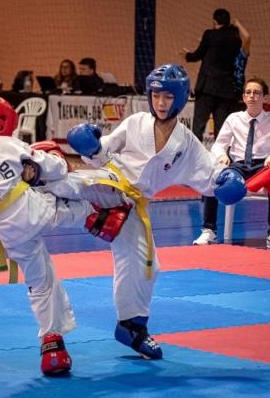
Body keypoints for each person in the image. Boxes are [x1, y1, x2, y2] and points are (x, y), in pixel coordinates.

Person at [67, 64, 247, 361]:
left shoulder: (187, 143)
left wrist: (226, 181)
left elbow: (208, 177)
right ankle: (29, 181)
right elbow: (103, 153)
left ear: (179, 99)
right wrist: (91, 146)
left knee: (145, 264)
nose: (160, 103)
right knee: (68, 186)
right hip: (110, 182)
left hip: (133, 206)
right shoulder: (135, 122)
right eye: (155, 96)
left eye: (166, 97)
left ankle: (131, 326)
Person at [0, 95, 132, 376]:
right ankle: (102, 214)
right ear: (1, 122)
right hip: (30, 209)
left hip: (5, 229)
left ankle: (52, 346)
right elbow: (50, 167)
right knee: (62, 184)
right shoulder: (5, 143)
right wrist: (55, 162)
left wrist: (31, 172)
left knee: (40, 282)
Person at [192, 77, 270, 249]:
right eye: (248, 92)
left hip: (264, 166)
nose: (252, 96)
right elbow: (218, 145)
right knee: (213, 178)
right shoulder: (234, 118)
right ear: (243, 97)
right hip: (238, 167)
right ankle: (209, 231)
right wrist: (221, 156)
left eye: (256, 93)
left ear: (265, 98)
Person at [180, 8, 241, 141]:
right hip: (226, 89)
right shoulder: (236, 39)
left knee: (199, 125)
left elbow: (198, 55)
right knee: (221, 128)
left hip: (207, 87)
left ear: (214, 21)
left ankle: (194, 157)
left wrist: (187, 55)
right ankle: (220, 159)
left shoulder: (210, 34)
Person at [231, 18, 251, 105]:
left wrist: (238, 24)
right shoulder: (222, 52)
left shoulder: (241, 52)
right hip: (223, 91)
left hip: (237, 91)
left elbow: (247, 37)